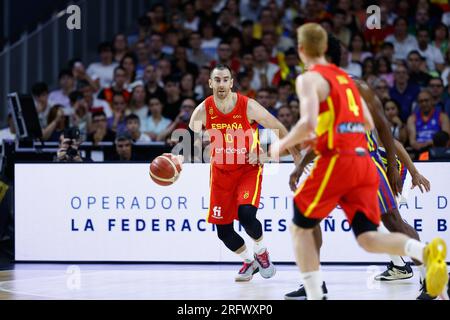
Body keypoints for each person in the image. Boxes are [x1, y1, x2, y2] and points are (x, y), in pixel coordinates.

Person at [271, 23, 447, 300]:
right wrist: (303, 163)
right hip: (357, 163)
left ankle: (316, 286)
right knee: (357, 231)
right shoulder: (352, 85)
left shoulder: (323, 82)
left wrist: (392, 165)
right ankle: (424, 259)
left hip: (351, 162)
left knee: (384, 222)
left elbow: (384, 131)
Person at [188, 64, 300, 281]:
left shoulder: (248, 106)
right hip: (220, 173)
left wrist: (293, 155)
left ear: (231, 83)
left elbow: (277, 125)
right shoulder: (202, 110)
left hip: (248, 168)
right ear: (210, 83)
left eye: (225, 80)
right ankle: (250, 261)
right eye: (217, 80)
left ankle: (261, 252)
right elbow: (191, 141)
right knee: (223, 232)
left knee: (246, 215)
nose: (221, 84)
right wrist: (178, 159)